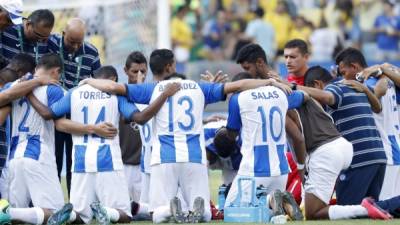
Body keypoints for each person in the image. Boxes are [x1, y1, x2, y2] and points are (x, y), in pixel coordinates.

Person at [80, 48, 292, 224]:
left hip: (164, 158)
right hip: (195, 158)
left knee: (157, 213)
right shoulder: (199, 88)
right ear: (174, 67)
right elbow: (239, 85)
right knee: (206, 212)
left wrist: (88, 81)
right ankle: (197, 212)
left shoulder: (151, 89)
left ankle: (173, 210)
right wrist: (270, 82)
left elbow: (111, 86)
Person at [49, 65, 181, 225]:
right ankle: (106, 211)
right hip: (108, 160)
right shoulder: (115, 96)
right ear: (112, 81)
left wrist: (88, 128)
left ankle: (68, 215)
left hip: (80, 161)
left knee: (81, 217)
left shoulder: (74, 93)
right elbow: (139, 117)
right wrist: (164, 95)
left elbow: (54, 117)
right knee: (125, 215)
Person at [296, 48, 387, 206]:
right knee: (370, 212)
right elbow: (381, 93)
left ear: (317, 84)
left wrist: (293, 87)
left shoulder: (336, 87)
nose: (339, 72)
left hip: (359, 159)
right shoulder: (362, 89)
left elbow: (327, 96)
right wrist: (381, 71)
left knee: (346, 211)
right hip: (378, 156)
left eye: (341, 69)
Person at [214, 71, 305, 221]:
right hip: (281, 170)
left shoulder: (238, 98)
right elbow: (304, 97)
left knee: (231, 213)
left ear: (238, 86)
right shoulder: (279, 93)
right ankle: (276, 201)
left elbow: (231, 135)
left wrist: (221, 132)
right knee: (267, 215)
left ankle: (271, 199)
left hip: (254, 169)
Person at [0, 53, 70, 225]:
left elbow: (5, 98)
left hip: (14, 158)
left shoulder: (13, 85)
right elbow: (58, 122)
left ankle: (9, 211)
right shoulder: (55, 89)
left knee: (18, 219)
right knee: (57, 213)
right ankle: (6, 211)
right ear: (56, 71)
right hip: (38, 154)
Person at [235, 43, 307, 205]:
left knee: (241, 208)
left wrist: (302, 167)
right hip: (283, 160)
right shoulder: (279, 86)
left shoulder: (276, 90)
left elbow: (297, 134)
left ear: (260, 63)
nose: (245, 74)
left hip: (285, 159)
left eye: (247, 68)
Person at [47, 18, 101, 195]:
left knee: (75, 160)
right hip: (54, 113)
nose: (76, 47)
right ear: (63, 34)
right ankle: (51, 203)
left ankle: (76, 203)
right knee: (52, 159)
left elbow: (99, 82)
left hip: (79, 115)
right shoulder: (51, 43)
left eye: (80, 42)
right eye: (71, 42)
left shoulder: (92, 53)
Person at [120, 51, 146, 205]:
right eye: (134, 71)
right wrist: (139, 89)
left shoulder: (153, 94)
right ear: (125, 71)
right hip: (123, 164)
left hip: (144, 166)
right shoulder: (120, 94)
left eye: (143, 71)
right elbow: (125, 118)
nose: (139, 75)